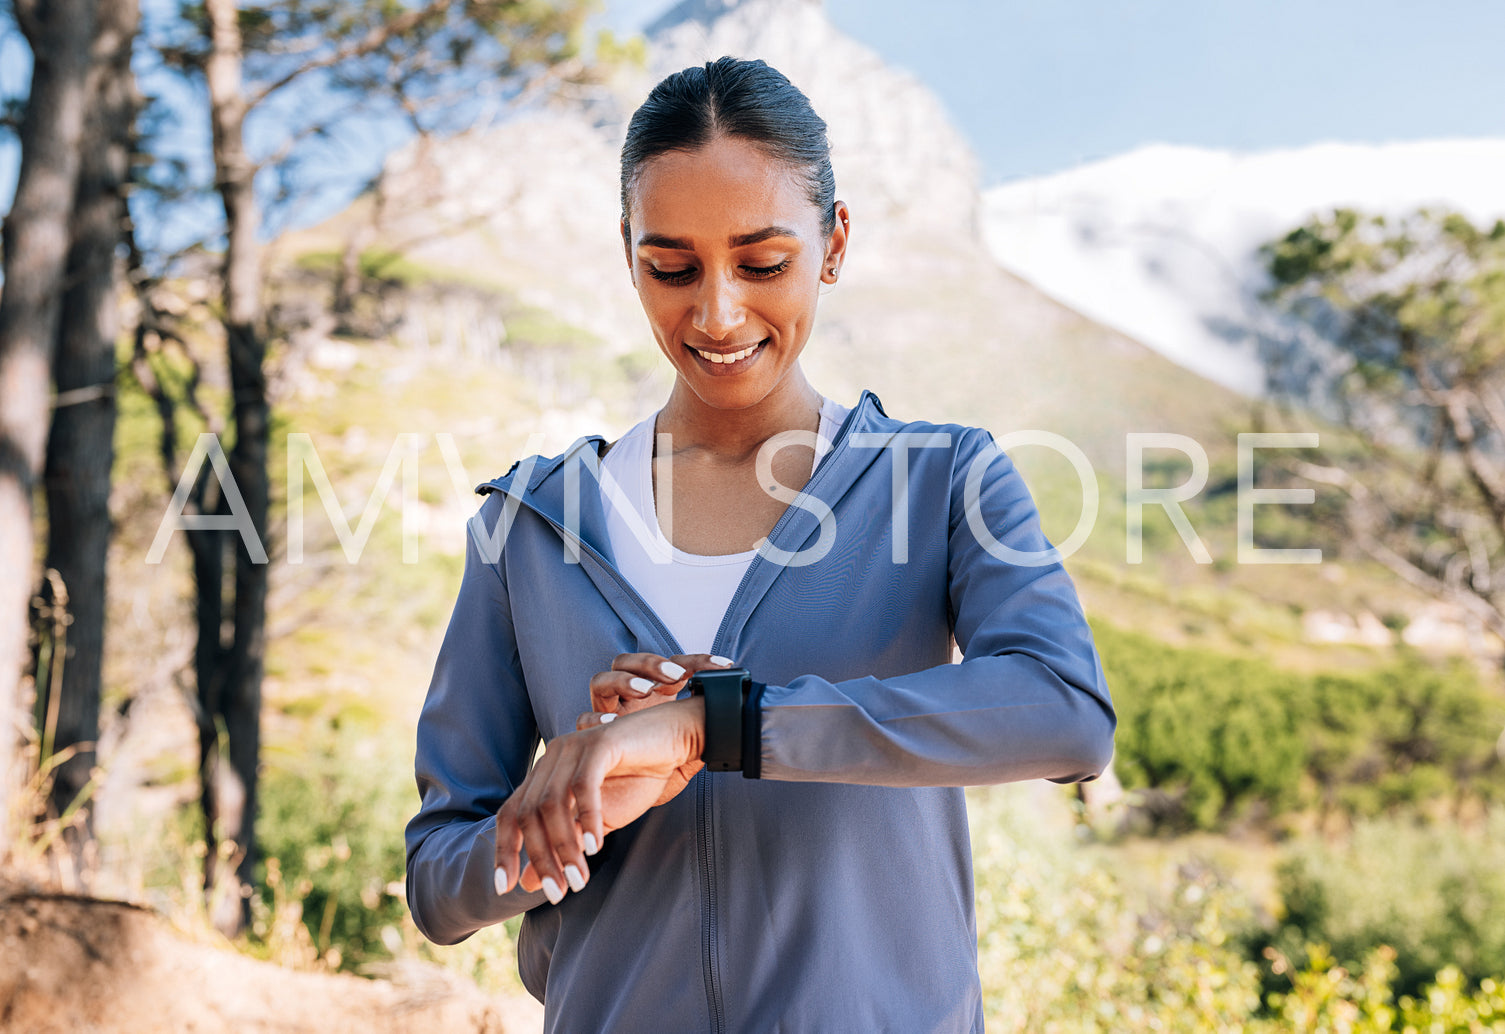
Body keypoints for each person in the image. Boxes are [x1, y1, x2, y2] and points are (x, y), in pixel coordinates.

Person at [405, 56, 1116, 1033]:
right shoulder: (528, 524)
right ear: (628, 252)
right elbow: (441, 882)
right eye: (672, 266)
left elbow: (1065, 712)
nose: (717, 312)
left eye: (761, 261)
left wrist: (717, 723)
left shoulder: (943, 479)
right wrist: (574, 816)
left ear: (832, 243)